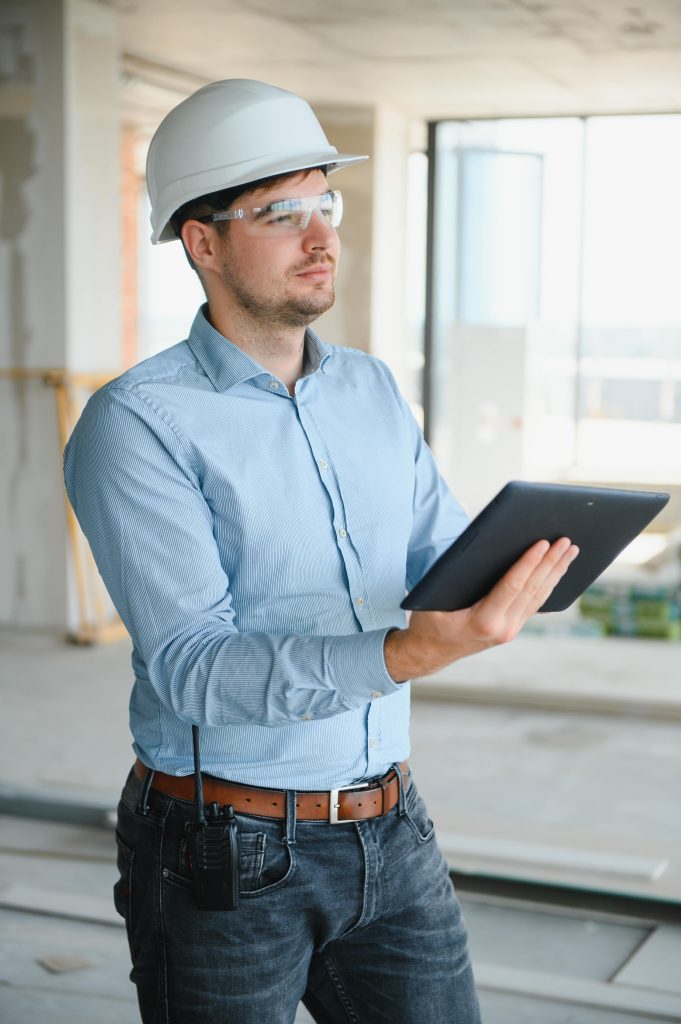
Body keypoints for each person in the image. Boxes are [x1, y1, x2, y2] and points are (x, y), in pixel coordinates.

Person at [63, 79, 578, 1024]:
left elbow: (437, 555)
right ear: (203, 242)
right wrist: (405, 654)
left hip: (393, 826)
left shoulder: (371, 390)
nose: (321, 237)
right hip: (224, 848)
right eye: (279, 212)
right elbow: (194, 669)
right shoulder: (137, 424)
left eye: (324, 203)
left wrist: (520, 561)